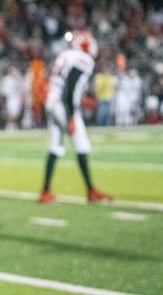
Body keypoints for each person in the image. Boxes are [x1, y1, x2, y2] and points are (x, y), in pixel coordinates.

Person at [38, 30, 112, 204]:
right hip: (63, 106)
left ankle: (45, 191)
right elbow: (70, 88)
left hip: (53, 103)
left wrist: (81, 100)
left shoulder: (65, 56)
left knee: (55, 147)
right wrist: (71, 116)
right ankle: (91, 190)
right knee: (82, 144)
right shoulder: (83, 60)